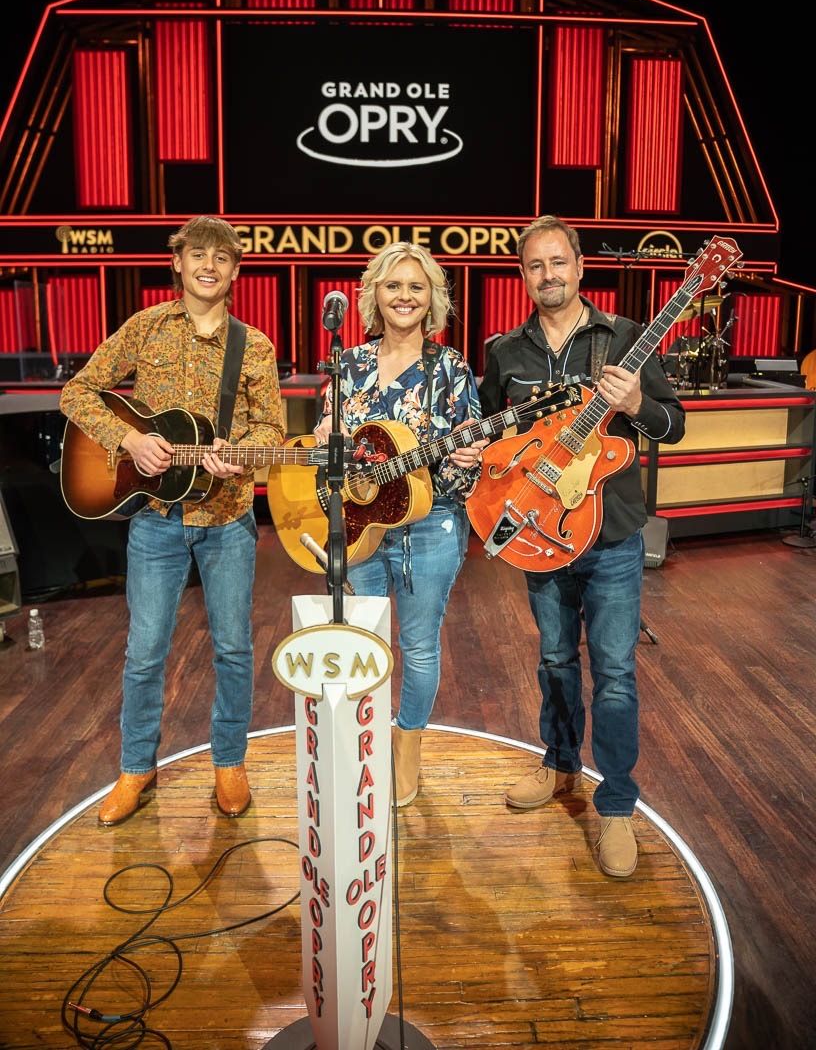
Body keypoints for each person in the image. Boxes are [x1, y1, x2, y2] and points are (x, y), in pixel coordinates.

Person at [60, 216, 285, 826]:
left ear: (236, 270)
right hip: (156, 518)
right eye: (197, 255)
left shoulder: (254, 345)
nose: (209, 266)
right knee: (144, 651)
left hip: (228, 517)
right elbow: (77, 394)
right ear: (178, 264)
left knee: (235, 649)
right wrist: (129, 439)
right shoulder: (147, 327)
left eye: (222, 257)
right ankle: (136, 769)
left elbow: (270, 428)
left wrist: (241, 450)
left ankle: (230, 763)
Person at [478, 215, 685, 877]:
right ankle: (560, 765)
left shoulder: (626, 339)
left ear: (579, 266)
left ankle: (617, 806)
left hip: (615, 536)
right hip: (540, 532)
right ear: (522, 275)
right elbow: (492, 438)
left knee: (616, 677)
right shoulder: (505, 350)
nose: (548, 276)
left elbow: (671, 424)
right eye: (535, 266)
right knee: (558, 660)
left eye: (558, 262)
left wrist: (638, 406)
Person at [314, 243, 486, 807]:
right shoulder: (348, 365)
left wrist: (472, 457)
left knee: (417, 645)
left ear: (432, 298)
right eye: (393, 286)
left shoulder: (452, 368)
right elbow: (329, 445)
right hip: (360, 525)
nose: (405, 296)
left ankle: (406, 748)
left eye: (416, 287)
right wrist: (324, 440)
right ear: (374, 296)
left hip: (431, 526)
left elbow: (479, 449)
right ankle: (365, 746)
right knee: (362, 641)